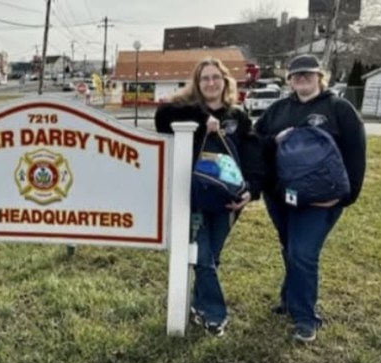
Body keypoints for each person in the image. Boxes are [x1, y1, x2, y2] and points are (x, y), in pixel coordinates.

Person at [254, 54, 366, 343]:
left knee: (303, 252)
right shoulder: (277, 109)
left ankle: (305, 318)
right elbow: (256, 144)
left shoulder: (339, 109)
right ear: (289, 79)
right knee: (289, 247)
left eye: (308, 74)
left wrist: (345, 197)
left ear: (320, 77)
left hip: (321, 201)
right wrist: (274, 141)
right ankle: (290, 299)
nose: (302, 78)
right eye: (297, 74)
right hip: (281, 196)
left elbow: (356, 154)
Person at [154, 58, 265, 336]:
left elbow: (252, 154)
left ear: (225, 81)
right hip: (193, 198)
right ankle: (215, 315)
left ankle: (196, 304)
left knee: (210, 257)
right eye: (205, 78)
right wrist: (204, 119)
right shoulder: (185, 110)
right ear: (198, 83)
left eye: (216, 77)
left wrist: (251, 190)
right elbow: (161, 118)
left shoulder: (237, 116)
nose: (211, 83)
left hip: (227, 200)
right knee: (203, 256)